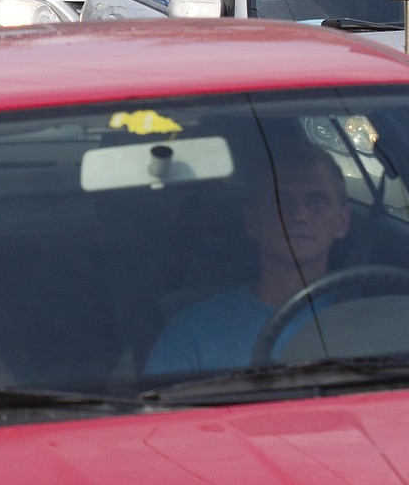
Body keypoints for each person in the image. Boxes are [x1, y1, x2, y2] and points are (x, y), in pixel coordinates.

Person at [145, 145, 350, 375]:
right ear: (251, 220)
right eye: (281, 200)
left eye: (316, 201)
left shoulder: (368, 319)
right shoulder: (193, 332)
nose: (299, 215)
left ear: (342, 222)